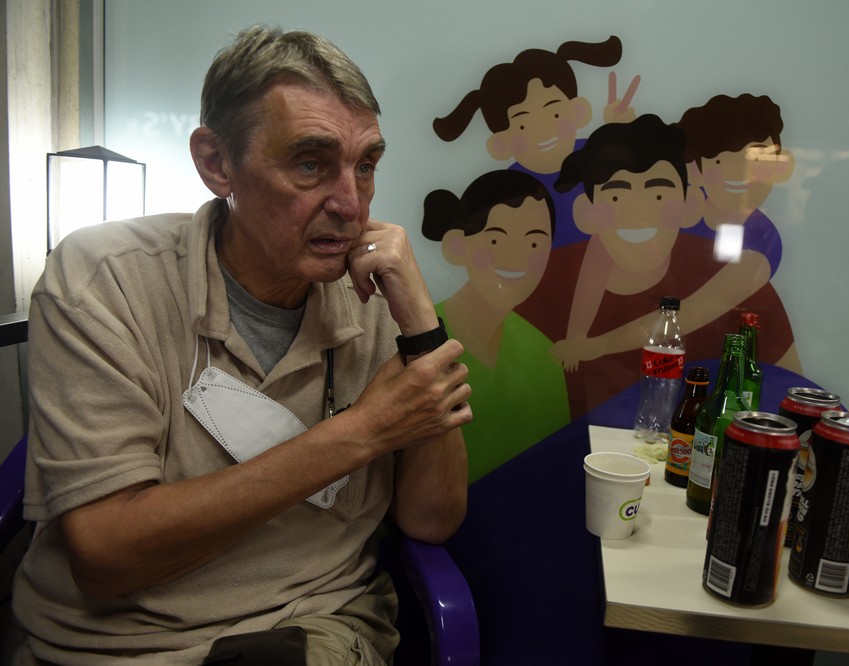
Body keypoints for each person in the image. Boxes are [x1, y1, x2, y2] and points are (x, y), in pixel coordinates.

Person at [12, 25, 471, 666]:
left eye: (365, 165)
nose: (351, 204)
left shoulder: (375, 297)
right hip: (116, 646)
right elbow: (106, 558)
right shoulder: (104, 280)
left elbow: (433, 520)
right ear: (217, 163)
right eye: (310, 163)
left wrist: (421, 327)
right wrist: (362, 433)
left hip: (312, 626)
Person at [515, 114, 798, 417]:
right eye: (616, 196)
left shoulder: (736, 276)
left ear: (690, 204)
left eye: (659, 194)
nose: (638, 210)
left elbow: (787, 401)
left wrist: (597, 345)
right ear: (587, 213)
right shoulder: (545, 281)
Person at [422, 170, 570, 482]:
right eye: (494, 239)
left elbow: (553, 462)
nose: (515, 257)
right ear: (457, 246)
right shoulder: (421, 342)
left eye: (534, 243)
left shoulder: (542, 354)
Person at [432, 36, 638, 248]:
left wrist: (619, 133)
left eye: (555, 114)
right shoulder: (509, 187)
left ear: (578, 111)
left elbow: (636, 185)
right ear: (500, 144)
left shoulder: (595, 152)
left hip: (610, 255)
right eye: (522, 125)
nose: (544, 130)